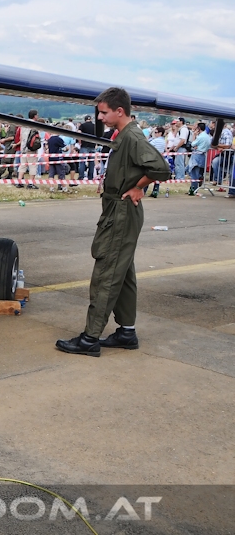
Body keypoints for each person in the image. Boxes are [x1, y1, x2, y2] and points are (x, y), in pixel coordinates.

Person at [56, 87, 171, 357]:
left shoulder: (132, 137)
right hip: (117, 209)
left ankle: (90, 338)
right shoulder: (124, 135)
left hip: (121, 212)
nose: (100, 117)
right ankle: (126, 332)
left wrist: (138, 187)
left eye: (104, 112)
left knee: (106, 274)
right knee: (124, 273)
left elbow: (161, 169)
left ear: (120, 111)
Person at [188, 122, 211, 195]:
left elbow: (192, 144)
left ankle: (193, 190)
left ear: (199, 128)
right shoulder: (207, 136)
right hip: (203, 155)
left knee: (194, 173)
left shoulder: (200, 137)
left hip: (197, 155)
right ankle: (199, 179)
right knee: (196, 172)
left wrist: (194, 135)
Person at [77, 115, 97, 181]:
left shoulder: (82, 125)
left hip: (84, 145)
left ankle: (81, 176)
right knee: (91, 162)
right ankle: (90, 177)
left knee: (82, 161)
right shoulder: (95, 126)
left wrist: (80, 142)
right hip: (92, 145)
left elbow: (79, 133)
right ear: (91, 119)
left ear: (85, 119)